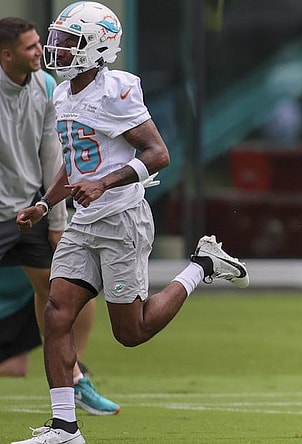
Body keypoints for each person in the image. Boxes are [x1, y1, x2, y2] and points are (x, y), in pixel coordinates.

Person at [10, 2, 249, 443]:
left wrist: (105, 183)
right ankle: (65, 428)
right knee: (57, 313)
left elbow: (158, 153)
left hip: (122, 220)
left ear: (98, 48)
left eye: (70, 42)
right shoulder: (63, 93)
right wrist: (44, 205)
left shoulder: (115, 89)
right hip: (85, 223)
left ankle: (202, 266)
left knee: (131, 332)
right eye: (58, 39)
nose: (58, 49)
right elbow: (76, 163)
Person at [0, 15, 119, 414]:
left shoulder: (48, 86)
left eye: (40, 43)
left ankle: (75, 376)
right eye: (32, 47)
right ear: (7, 54)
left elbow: (56, 153)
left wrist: (55, 219)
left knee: (69, 293)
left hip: (30, 210)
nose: (42, 51)